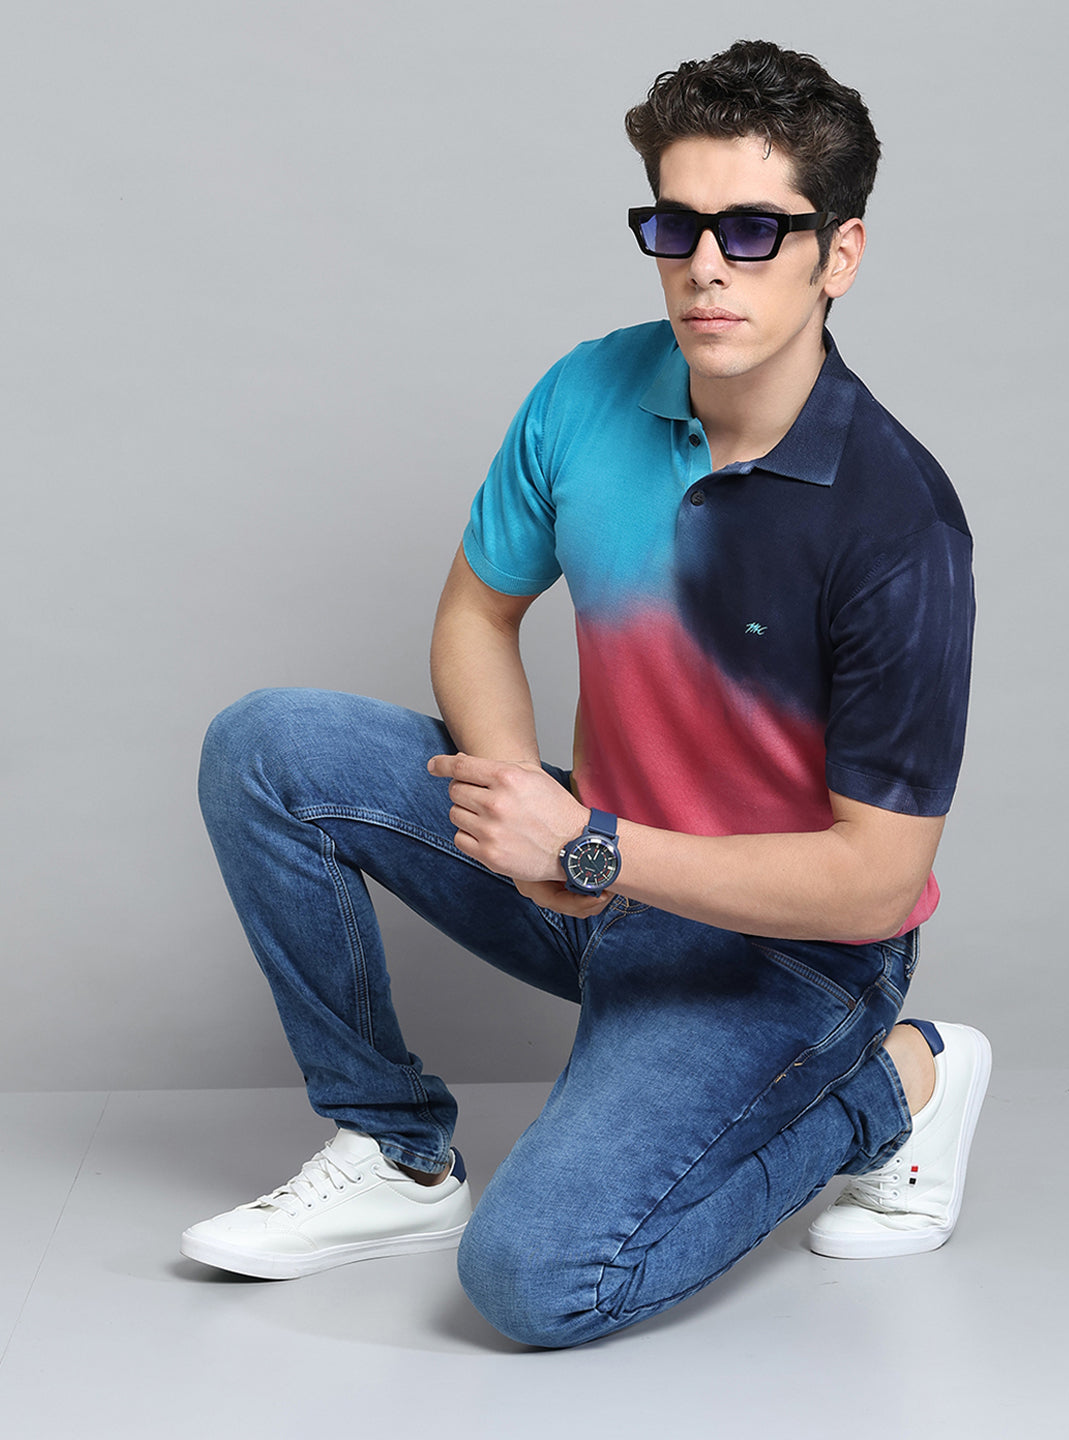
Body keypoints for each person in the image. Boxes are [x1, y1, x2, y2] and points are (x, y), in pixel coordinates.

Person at [181, 39, 991, 1346]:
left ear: (839, 254)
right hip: (592, 869)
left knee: (536, 1280)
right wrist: (524, 811)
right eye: (677, 224)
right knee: (267, 748)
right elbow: (476, 613)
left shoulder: (899, 525)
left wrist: (594, 850)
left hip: (788, 956)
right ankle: (395, 1153)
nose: (707, 265)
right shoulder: (589, 390)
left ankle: (900, 1089)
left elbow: (876, 885)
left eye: (754, 231)